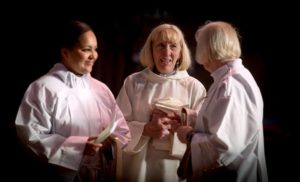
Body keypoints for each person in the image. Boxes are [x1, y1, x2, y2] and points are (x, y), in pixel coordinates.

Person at [15, 20, 131, 182]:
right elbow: (31, 137)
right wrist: (80, 146)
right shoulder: (43, 88)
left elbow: (122, 131)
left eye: (95, 49)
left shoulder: (101, 89)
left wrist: (110, 143)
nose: (94, 56)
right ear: (65, 52)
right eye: (86, 50)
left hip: (101, 174)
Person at [177, 21, 268, 182]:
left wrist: (189, 136)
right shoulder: (231, 78)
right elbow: (227, 124)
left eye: (200, 46)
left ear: (208, 48)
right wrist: (194, 118)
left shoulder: (230, 85)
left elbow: (222, 147)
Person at [116, 23, 207, 182]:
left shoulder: (194, 87)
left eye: (173, 46)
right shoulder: (133, 82)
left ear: (180, 52)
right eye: (160, 46)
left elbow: (203, 135)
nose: (167, 52)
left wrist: (181, 126)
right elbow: (116, 128)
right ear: (151, 50)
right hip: (137, 169)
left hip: (175, 170)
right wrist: (145, 129)